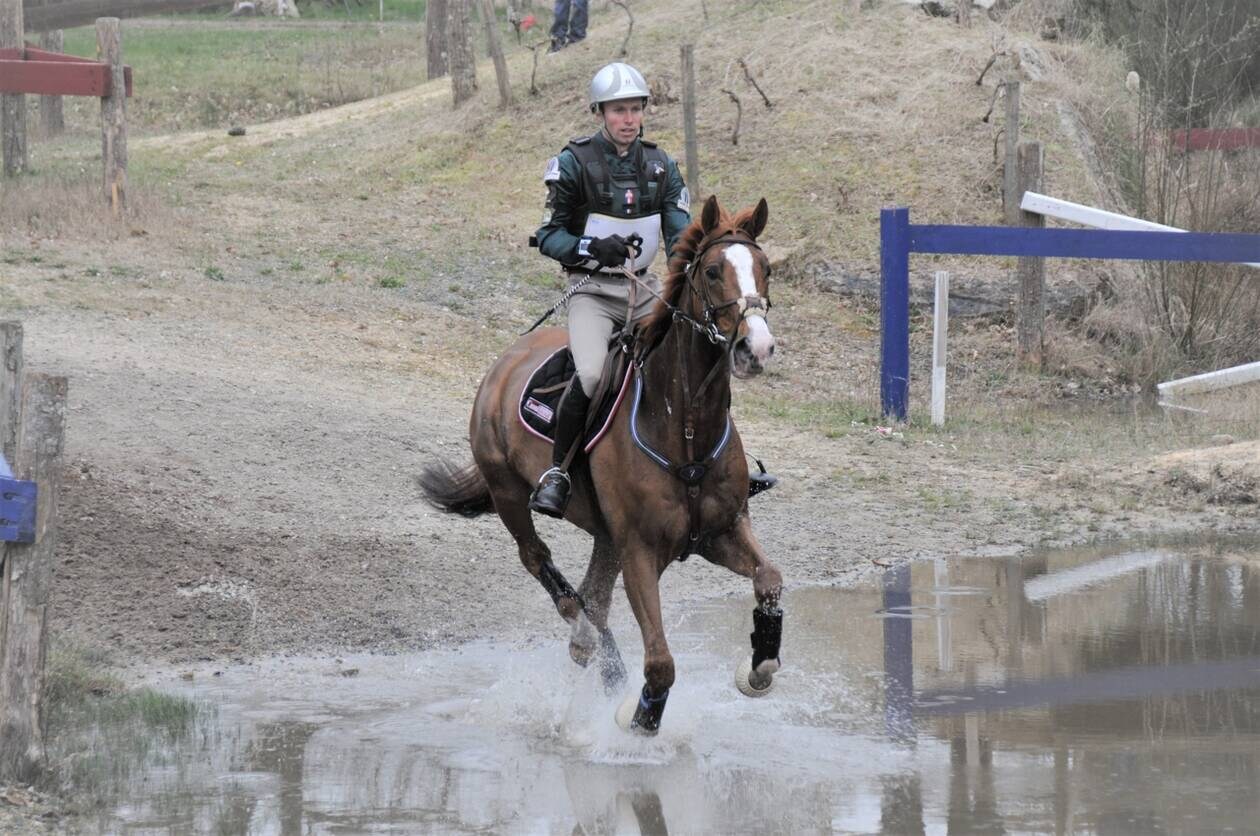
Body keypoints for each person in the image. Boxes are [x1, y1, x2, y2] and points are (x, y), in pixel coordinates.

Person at [528, 62, 776, 518]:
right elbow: (548, 236)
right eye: (618, 110)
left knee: (697, 355)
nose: (628, 119)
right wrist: (588, 246)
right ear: (600, 113)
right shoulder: (572, 163)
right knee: (590, 375)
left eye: (635, 110)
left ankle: (726, 464)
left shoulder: (662, 167)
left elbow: (685, 236)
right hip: (594, 293)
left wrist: (719, 249)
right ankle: (559, 472)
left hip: (645, 290)